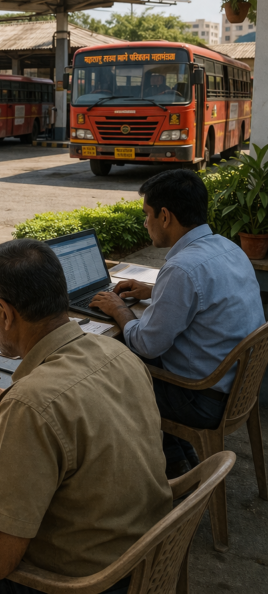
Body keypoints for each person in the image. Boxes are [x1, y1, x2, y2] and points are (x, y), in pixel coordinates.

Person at [0, 239, 172, 594]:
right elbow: (77, 418)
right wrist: (10, 404)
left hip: (80, 583)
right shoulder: (117, 353)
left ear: (5, 313)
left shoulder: (32, 404)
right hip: (140, 555)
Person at [90, 169, 264, 478]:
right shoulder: (228, 248)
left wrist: (118, 309)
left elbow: (146, 344)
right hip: (238, 389)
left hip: (203, 399)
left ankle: (156, 473)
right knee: (140, 363)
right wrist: (156, 291)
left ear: (165, 216)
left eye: (147, 215)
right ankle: (178, 460)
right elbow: (207, 296)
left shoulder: (183, 268)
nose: (146, 223)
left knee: (111, 376)